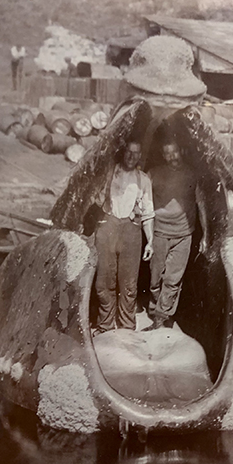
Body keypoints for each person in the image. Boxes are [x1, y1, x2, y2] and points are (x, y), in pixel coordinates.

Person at [145, 136, 208, 330]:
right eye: (167, 153)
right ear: (163, 156)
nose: (172, 156)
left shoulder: (192, 174)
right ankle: (155, 306)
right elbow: (144, 200)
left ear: (180, 151)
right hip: (159, 232)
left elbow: (201, 205)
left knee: (173, 279)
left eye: (175, 151)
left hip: (183, 234)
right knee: (155, 278)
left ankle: (162, 317)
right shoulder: (153, 174)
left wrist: (205, 235)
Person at [94, 140, 154, 333]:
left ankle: (127, 327)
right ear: (123, 152)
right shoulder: (109, 172)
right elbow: (93, 199)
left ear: (139, 156)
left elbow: (148, 214)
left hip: (131, 231)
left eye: (136, 153)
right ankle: (105, 326)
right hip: (108, 227)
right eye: (128, 152)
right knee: (104, 282)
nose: (131, 156)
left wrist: (150, 241)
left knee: (128, 285)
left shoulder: (143, 180)